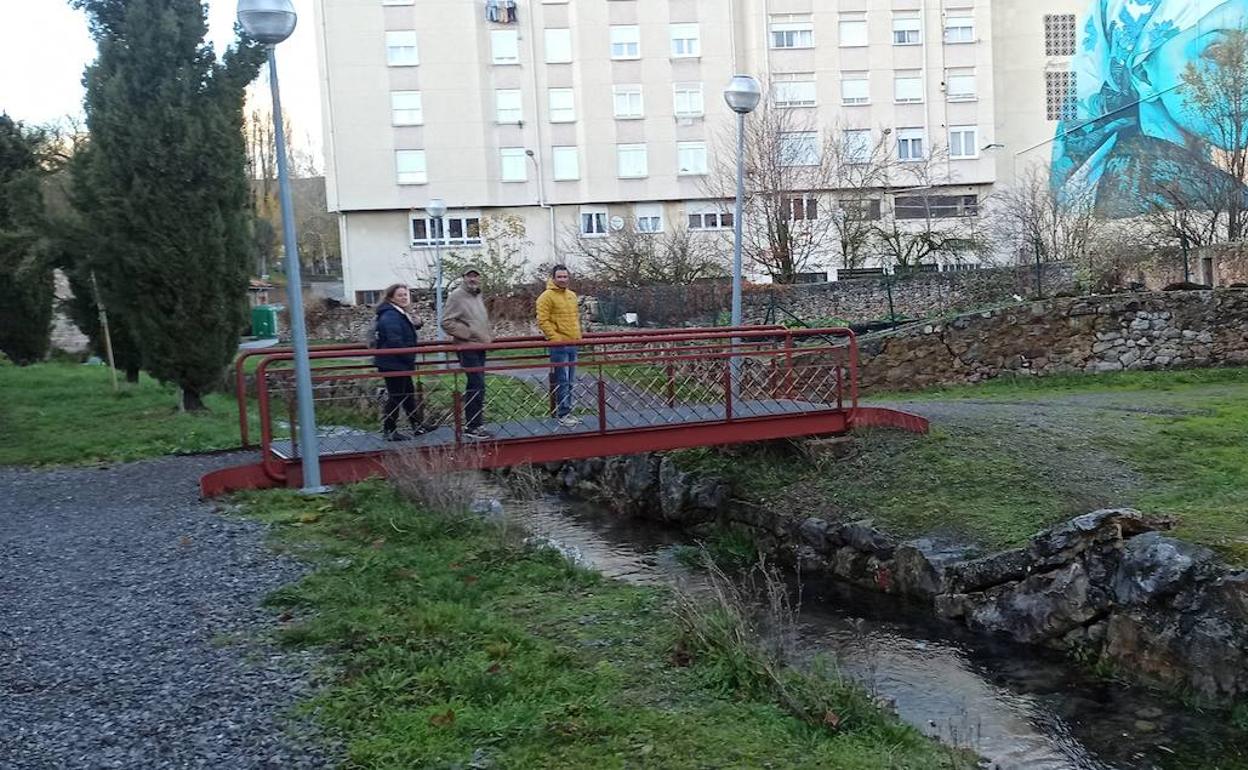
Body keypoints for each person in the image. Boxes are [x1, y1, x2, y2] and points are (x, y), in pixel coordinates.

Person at [441, 266, 493, 439]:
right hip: (467, 347)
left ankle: (476, 423)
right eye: (469, 276)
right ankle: (473, 426)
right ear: (463, 277)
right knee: (476, 384)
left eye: (476, 276)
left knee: (477, 385)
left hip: (479, 346)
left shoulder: (476, 294)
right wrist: (468, 333)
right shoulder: (457, 295)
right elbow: (446, 322)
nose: (473, 279)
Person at [372, 283, 427, 441]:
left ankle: (417, 426)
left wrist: (417, 324)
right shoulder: (390, 315)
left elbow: (402, 329)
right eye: (400, 295)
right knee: (397, 396)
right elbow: (395, 339)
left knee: (407, 393)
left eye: (405, 295)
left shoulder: (396, 312)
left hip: (398, 361)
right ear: (391, 298)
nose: (404, 298)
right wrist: (409, 356)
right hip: (393, 362)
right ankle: (389, 430)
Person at [536, 264, 582, 427]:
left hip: (572, 342)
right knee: (563, 379)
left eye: (565, 277)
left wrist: (577, 336)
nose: (563, 280)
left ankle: (567, 411)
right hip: (560, 345)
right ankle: (563, 413)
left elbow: (575, 317)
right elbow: (542, 320)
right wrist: (556, 338)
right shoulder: (546, 297)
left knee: (570, 379)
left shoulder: (571, 295)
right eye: (560, 277)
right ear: (553, 278)